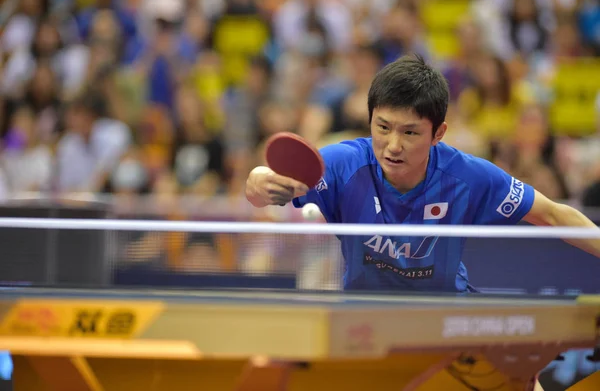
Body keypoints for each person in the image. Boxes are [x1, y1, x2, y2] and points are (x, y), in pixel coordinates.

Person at [245, 55, 600, 292]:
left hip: (447, 316)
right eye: (382, 127)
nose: (392, 145)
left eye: (410, 133)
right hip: (364, 319)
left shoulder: (467, 176)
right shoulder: (344, 164)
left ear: (438, 133)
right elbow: (257, 187)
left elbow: (555, 215)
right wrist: (263, 180)